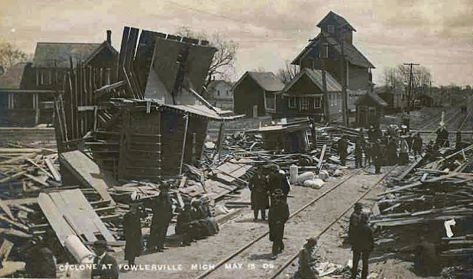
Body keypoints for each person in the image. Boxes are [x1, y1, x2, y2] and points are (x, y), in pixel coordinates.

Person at [148, 183, 173, 252]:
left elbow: (170, 208)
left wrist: (170, 216)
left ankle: (160, 246)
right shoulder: (158, 199)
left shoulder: (168, 198)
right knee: (155, 233)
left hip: (165, 219)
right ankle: (152, 247)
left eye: (166, 190)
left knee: (163, 233)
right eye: (163, 190)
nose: (165, 192)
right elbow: (154, 209)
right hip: (158, 219)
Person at [351, 213, 374, 279]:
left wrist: (353, 245)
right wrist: (372, 247)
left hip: (357, 247)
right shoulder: (369, 228)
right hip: (366, 247)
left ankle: (353, 276)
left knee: (355, 262)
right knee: (365, 262)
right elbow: (371, 239)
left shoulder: (357, 227)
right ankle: (364, 277)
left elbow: (353, 237)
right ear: (366, 219)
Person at [268, 189, 289, 260]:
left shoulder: (284, 205)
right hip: (272, 224)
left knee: (276, 238)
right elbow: (270, 214)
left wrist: (281, 221)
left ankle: (274, 253)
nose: (276, 199)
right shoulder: (273, 204)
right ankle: (281, 246)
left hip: (279, 224)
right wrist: (270, 222)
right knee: (274, 237)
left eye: (277, 197)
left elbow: (286, 215)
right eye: (275, 197)